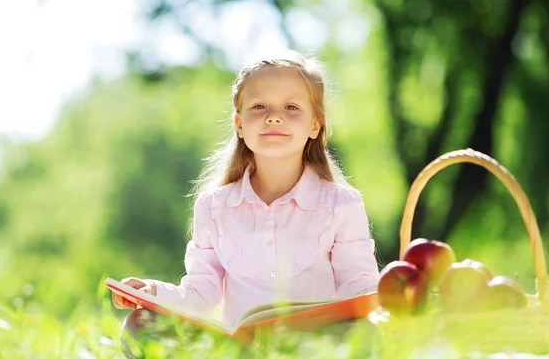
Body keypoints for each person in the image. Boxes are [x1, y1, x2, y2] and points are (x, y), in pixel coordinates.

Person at [112, 50, 381, 357]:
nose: (274, 116)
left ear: (315, 126)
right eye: (259, 106)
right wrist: (153, 293)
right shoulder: (213, 207)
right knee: (141, 324)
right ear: (239, 124)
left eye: (291, 106)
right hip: (235, 352)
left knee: (365, 334)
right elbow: (200, 292)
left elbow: (359, 288)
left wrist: (391, 295)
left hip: (309, 350)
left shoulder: (340, 204)